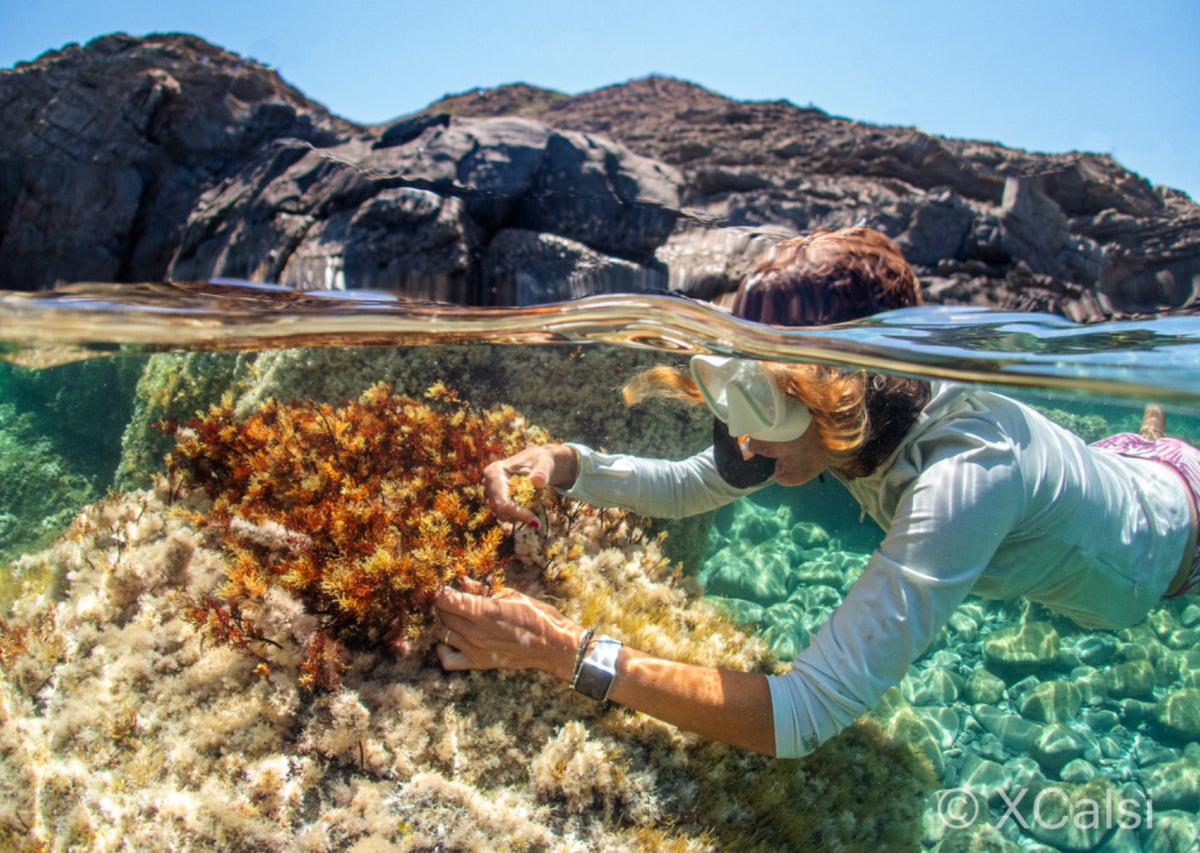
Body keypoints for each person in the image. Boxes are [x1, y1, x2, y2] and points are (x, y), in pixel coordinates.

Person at [432, 227, 1199, 759]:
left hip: (1173, 546)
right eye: (736, 382)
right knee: (1138, 446)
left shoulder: (967, 477)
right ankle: (1151, 430)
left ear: (848, 384)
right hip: (1120, 463)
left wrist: (561, 651)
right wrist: (564, 463)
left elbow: (803, 716)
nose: (744, 429)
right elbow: (693, 483)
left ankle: (1162, 437)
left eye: (768, 394)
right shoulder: (818, 423)